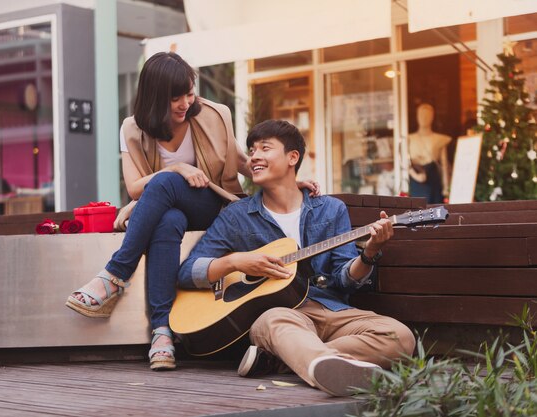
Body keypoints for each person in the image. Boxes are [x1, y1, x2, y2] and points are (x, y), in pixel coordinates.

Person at [66, 52, 318, 371]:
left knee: (165, 184)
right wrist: (179, 170)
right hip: (172, 210)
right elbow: (134, 187)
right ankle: (162, 334)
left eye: (189, 93)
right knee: (168, 219)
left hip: (215, 205)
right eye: (176, 97)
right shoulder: (132, 128)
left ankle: (114, 276)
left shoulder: (213, 115)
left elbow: (241, 161)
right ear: (156, 97)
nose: (186, 102)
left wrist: (289, 180)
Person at [178, 120, 415, 396]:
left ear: (293, 157)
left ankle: (291, 359)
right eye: (252, 150)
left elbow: (345, 278)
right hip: (279, 315)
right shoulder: (237, 216)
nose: (254, 156)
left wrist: (371, 252)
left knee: (400, 336)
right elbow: (187, 272)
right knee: (272, 321)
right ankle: (321, 362)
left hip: (329, 310)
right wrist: (235, 262)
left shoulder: (330, 210)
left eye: (265, 148)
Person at [408, 103, 451, 204]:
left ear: (432, 117)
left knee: (435, 210)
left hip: (433, 180)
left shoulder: (440, 139)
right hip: (416, 180)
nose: (424, 118)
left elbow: (444, 165)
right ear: (417, 117)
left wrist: (446, 188)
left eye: (427, 115)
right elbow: (405, 164)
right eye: (421, 115)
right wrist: (415, 175)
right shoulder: (410, 139)